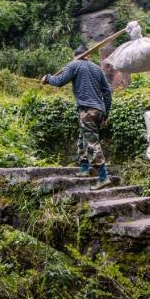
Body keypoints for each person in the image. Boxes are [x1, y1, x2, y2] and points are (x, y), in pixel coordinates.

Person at [42, 45, 113, 190]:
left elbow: (60, 81)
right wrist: (105, 112)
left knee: (92, 143)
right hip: (98, 110)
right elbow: (107, 92)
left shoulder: (74, 64)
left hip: (87, 110)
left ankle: (103, 177)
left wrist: (48, 78)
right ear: (87, 55)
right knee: (82, 139)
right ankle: (85, 169)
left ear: (76, 56)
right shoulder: (97, 69)